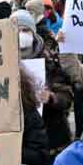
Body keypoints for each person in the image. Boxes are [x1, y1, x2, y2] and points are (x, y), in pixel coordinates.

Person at [12, 10, 75, 155]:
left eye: (25, 30)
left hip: (51, 138)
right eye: (16, 29)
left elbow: (67, 95)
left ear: (33, 32)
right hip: (20, 143)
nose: (21, 34)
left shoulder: (49, 60)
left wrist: (52, 97)